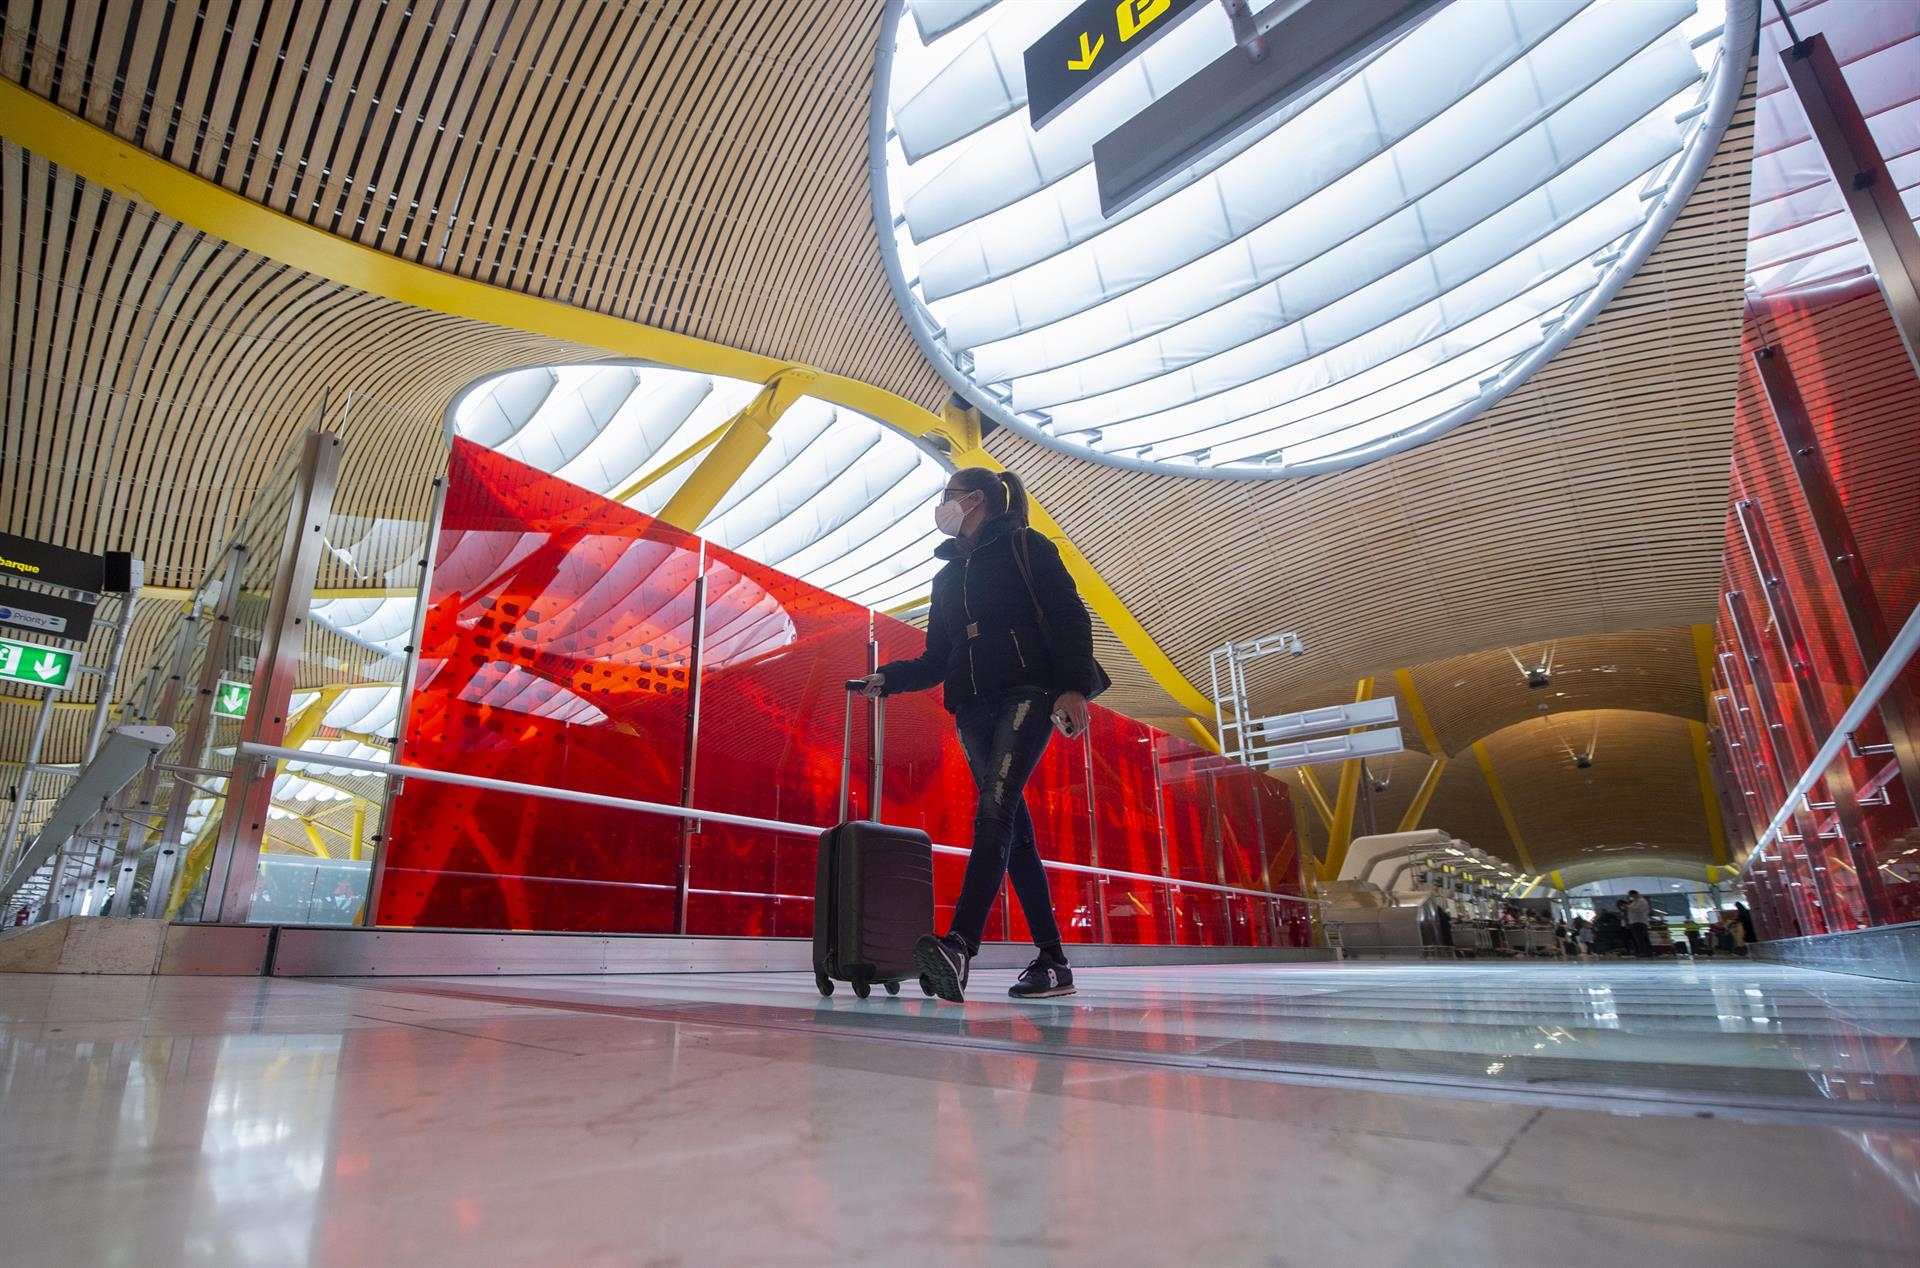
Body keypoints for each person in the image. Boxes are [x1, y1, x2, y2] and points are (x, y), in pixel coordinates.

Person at [858, 467, 1102, 1004]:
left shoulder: (1024, 544)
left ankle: (961, 944)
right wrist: (890, 679)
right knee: (1013, 832)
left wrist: (1073, 687)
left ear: (972, 501)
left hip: (1027, 693)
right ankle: (1054, 961)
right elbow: (937, 658)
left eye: (946, 499)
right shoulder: (946, 578)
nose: (940, 508)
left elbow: (1068, 614)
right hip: (971, 705)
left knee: (994, 810)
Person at [1625, 889, 1652, 958]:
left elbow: (1638, 909)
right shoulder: (1634, 902)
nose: (1630, 897)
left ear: (1634, 894)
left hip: (1639, 921)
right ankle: (1643, 951)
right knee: (1638, 938)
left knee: (1641, 938)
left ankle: (1645, 952)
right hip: (1634, 921)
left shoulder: (1641, 901)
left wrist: (1628, 907)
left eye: (1631, 895)